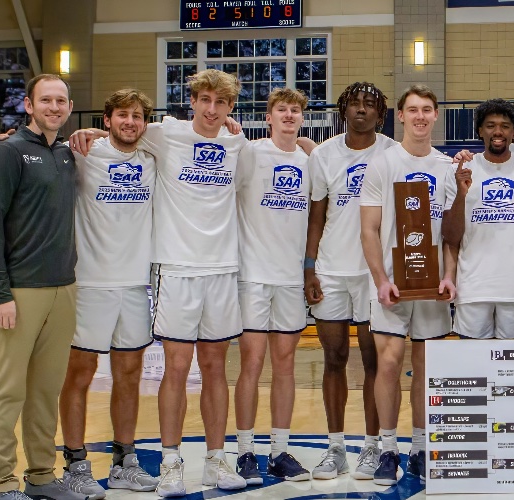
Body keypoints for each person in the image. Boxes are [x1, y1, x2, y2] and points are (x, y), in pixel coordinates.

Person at [71, 68, 250, 497]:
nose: (211, 109)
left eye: (220, 103)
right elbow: (122, 131)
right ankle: (171, 462)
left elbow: (272, 164)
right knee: (175, 368)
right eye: (204, 100)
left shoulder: (237, 145)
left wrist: (303, 142)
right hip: (175, 270)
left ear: (230, 108)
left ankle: (215, 460)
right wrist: (89, 130)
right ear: (192, 101)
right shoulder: (164, 134)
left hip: (223, 270)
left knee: (215, 370)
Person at [0, 73, 85, 500]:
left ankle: (41, 476)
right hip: (18, 292)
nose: (54, 107)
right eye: (46, 100)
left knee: (44, 392)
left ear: (70, 108)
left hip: (63, 289)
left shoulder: (66, 153)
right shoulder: (8, 152)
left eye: (61, 101)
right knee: (6, 392)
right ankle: (2, 484)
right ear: (28, 105)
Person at [56, 88, 160, 499]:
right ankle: (77, 464)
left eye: (137, 116)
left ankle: (124, 462)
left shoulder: (153, 158)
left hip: (136, 285)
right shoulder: (83, 152)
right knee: (78, 374)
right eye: (122, 115)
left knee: (129, 376)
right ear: (107, 118)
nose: (130, 122)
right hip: (91, 284)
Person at [359, 84, 457, 486]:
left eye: (427, 110)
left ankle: (419, 448)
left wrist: (450, 274)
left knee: (425, 367)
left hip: (431, 285)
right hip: (392, 285)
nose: (419, 116)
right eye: (412, 110)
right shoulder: (382, 164)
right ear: (400, 116)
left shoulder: (447, 167)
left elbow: (452, 234)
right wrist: (380, 279)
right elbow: (368, 229)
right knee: (388, 363)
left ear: (436, 116)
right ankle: (387, 450)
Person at [305, 81, 391, 480]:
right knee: (334, 358)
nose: (362, 110)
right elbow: (316, 216)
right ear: (343, 110)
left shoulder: (393, 152)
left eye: (369, 104)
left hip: (375, 275)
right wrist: (309, 268)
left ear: (380, 113)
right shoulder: (323, 154)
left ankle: (372, 448)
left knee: (375, 361)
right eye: (354, 104)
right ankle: (335, 447)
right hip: (332, 270)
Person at [231, 87, 314, 484]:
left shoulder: (309, 160)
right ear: (268, 116)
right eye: (281, 109)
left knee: (285, 367)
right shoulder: (250, 153)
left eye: (295, 110)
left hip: (289, 279)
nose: (288, 115)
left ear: (302, 118)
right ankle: (245, 450)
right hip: (253, 276)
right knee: (251, 364)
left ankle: (279, 450)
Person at [442, 98, 514, 340]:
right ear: (480, 131)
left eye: (505, 126)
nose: (497, 131)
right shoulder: (461, 170)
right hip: (473, 288)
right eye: (490, 125)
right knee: (474, 372)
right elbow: (450, 237)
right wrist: (461, 195)